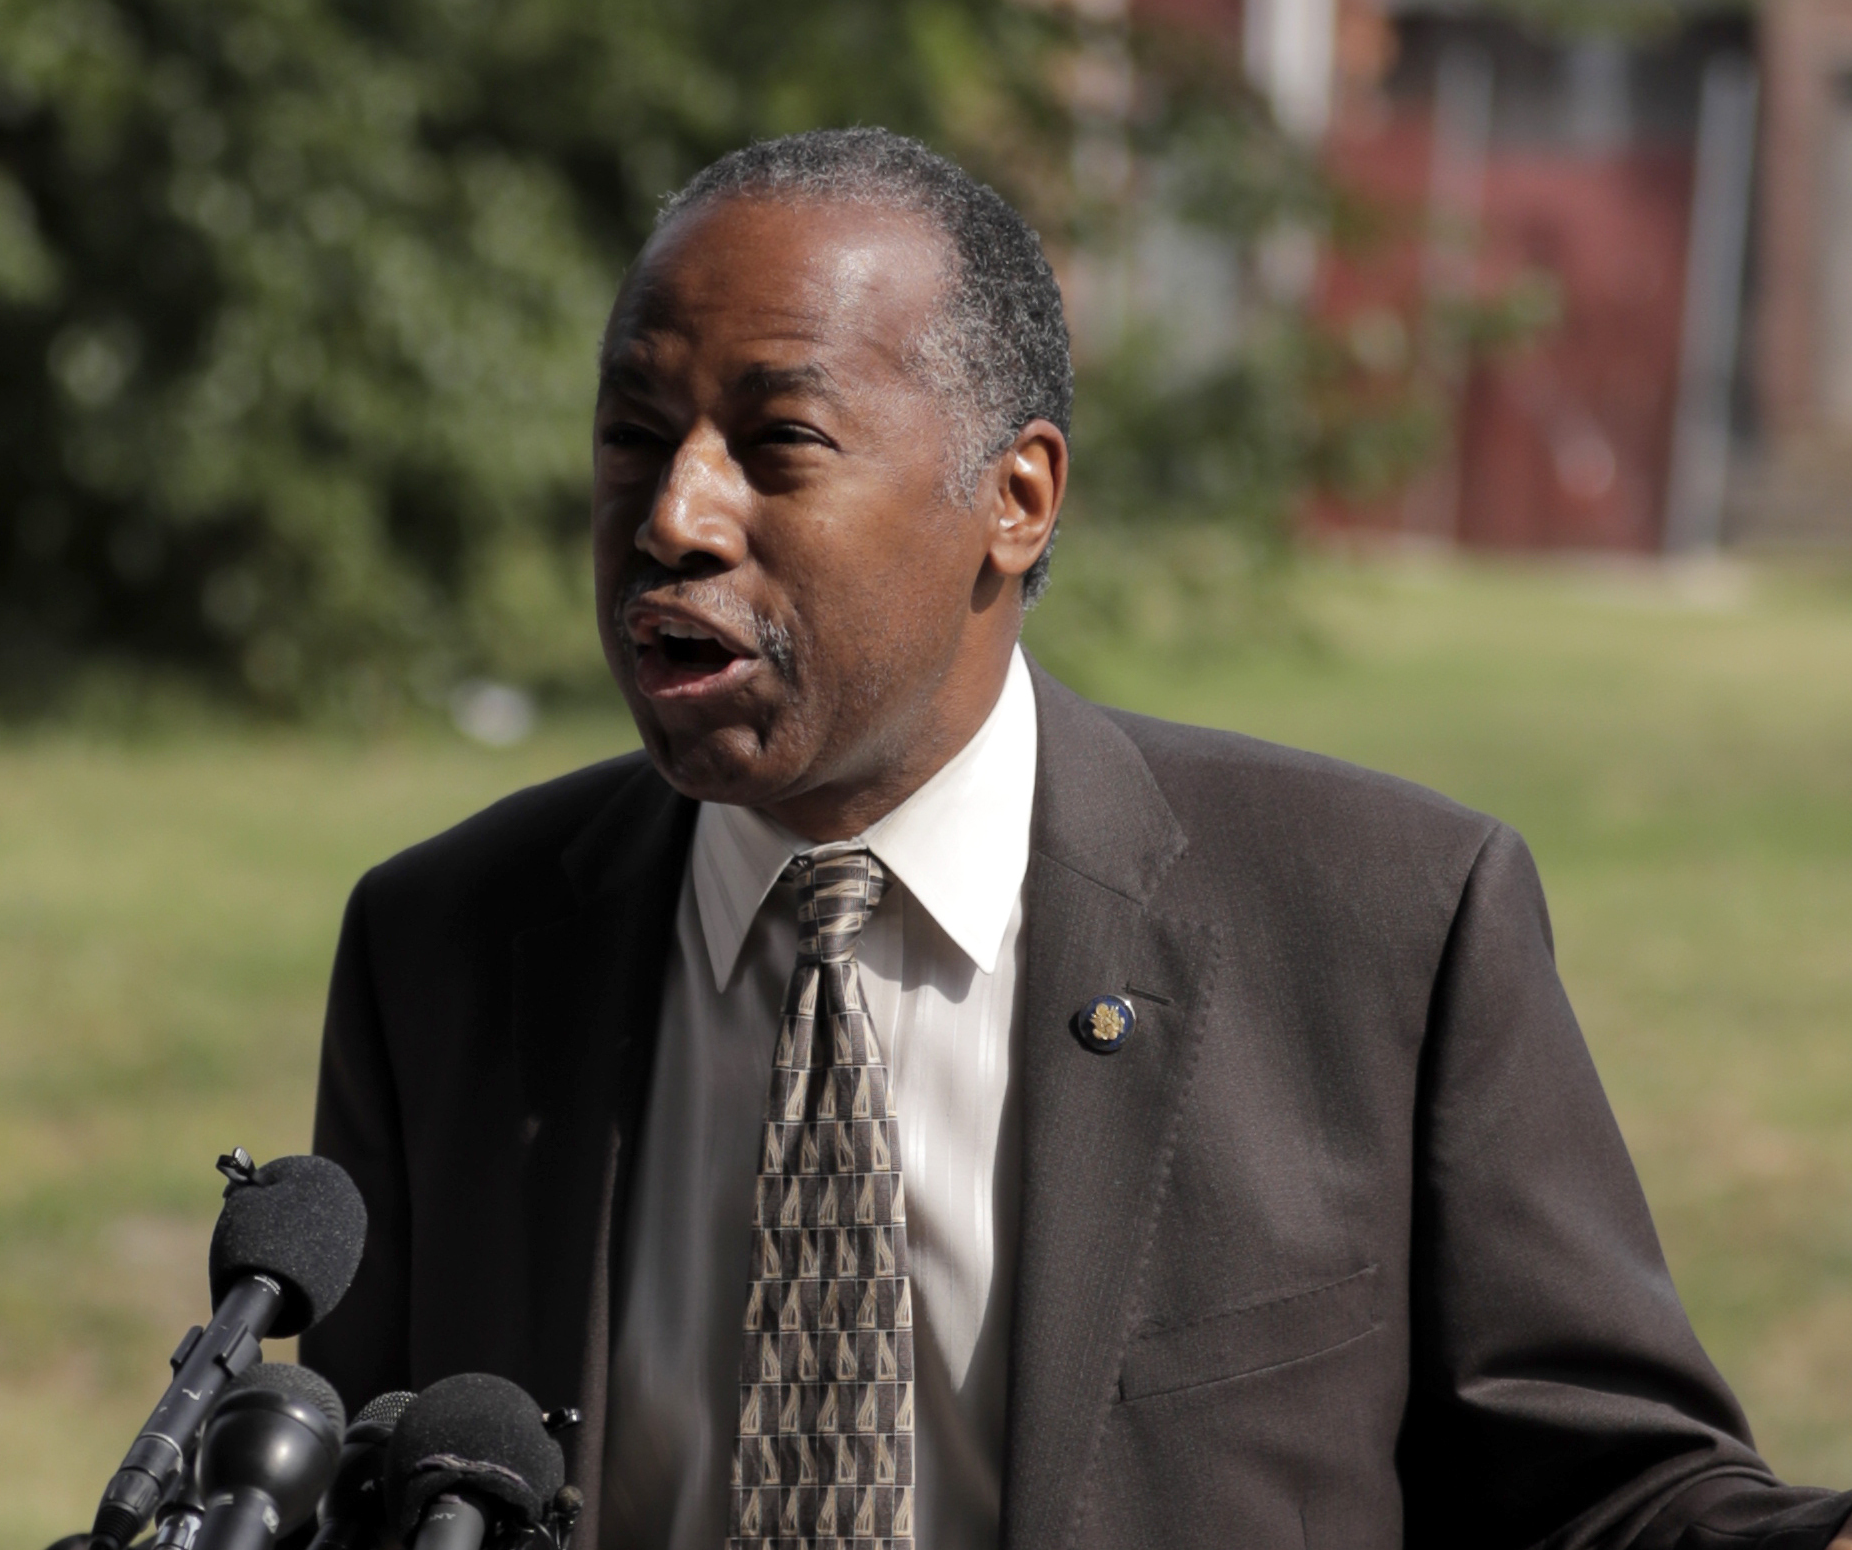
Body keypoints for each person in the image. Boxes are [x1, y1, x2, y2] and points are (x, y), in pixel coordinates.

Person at [299, 128, 1852, 1550]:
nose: (674, 515)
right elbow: (359, 1484)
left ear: (1018, 496)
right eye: (634, 436)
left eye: (779, 443)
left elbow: (1608, 1493)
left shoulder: (1386, 924)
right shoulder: (444, 946)